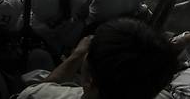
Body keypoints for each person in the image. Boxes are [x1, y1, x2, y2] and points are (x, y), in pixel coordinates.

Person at [18, 18, 178, 99]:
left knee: (38, 58)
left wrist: (76, 55)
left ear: (88, 81)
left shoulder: (39, 95)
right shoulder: (165, 95)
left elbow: (35, 91)